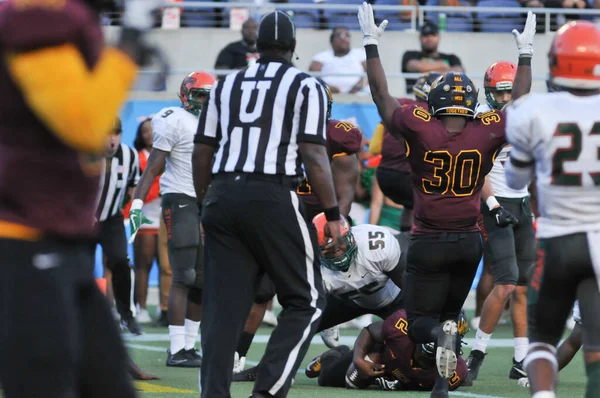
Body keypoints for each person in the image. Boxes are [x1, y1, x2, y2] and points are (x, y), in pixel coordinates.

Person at [357, 3, 535, 397]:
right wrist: (525, 54)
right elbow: (520, 104)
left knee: (422, 321)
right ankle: (440, 385)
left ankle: (439, 336)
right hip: (469, 240)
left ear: (433, 104)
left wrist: (371, 45)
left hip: (428, 239)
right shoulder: (484, 130)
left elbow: (381, 96)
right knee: (453, 316)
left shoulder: (421, 127)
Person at [0, 0, 161, 396]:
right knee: (47, 384)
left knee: (107, 382)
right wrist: (130, 44)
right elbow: (86, 124)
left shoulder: (62, 19)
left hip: (58, 236)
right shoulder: (39, 18)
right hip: (24, 237)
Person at [193, 10, 343, 398]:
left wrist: (203, 205)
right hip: (271, 192)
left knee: (222, 310)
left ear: (256, 46)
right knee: (307, 301)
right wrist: (334, 215)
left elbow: (202, 151)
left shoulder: (226, 85)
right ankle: (267, 392)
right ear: (293, 48)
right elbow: (313, 152)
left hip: (222, 195)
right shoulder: (304, 85)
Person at [232, 79, 362, 375]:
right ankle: (238, 354)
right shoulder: (271, 133)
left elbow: (345, 196)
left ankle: (329, 319)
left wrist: (333, 225)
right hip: (276, 217)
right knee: (261, 292)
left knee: (315, 291)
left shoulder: (338, 138)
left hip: (317, 221)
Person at [504, 20, 600, 398]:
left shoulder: (532, 110)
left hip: (558, 240)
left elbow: (514, 181)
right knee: (595, 343)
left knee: (542, 339)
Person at [233, 213, 407, 382]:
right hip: (349, 300)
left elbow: (409, 287)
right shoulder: (315, 266)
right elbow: (300, 310)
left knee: (406, 342)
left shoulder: (375, 244)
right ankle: (269, 369)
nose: (338, 253)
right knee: (298, 320)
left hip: (394, 298)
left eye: (340, 244)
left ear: (350, 234)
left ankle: (343, 356)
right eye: (329, 250)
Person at [130, 71, 216, 368]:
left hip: (209, 202)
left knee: (204, 279)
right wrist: (138, 203)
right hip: (180, 197)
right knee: (184, 275)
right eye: (200, 94)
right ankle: (176, 348)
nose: (204, 101)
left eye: (208, 95)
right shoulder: (173, 118)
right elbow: (155, 165)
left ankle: (190, 347)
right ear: (186, 94)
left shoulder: (218, 122)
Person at [465, 61, 536, 384]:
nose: (506, 97)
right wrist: (492, 205)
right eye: (500, 91)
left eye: (510, 90)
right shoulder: (479, 120)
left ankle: (521, 359)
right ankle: (477, 352)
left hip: (521, 204)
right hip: (495, 203)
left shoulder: (522, 114)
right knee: (505, 282)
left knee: (521, 288)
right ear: (489, 90)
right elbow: (476, 169)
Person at [306, 309, 469, 392]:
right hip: (383, 355)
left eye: (453, 336)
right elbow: (370, 331)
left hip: (393, 373)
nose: (445, 340)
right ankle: (334, 356)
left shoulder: (456, 372)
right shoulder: (402, 325)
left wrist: (399, 385)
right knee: (347, 380)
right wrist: (358, 360)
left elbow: (425, 384)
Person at [93, 117, 142, 335]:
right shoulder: (85, 152)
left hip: (111, 219)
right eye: (106, 133)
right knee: (79, 266)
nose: (112, 139)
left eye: (116, 133)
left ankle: (126, 316)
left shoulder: (130, 155)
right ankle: (79, 315)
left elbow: (133, 185)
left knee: (120, 261)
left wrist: (127, 207)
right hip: (84, 219)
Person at [375, 72, 441, 233]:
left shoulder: (401, 104)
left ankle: (405, 238)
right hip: (408, 177)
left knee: (409, 205)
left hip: (384, 175)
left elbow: (376, 144)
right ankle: (416, 242)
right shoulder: (437, 114)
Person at [128, 118, 172, 324]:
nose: (149, 134)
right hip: (145, 217)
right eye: (145, 131)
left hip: (166, 217)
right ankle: (141, 307)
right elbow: (135, 191)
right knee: (143, 265)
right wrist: (157, 190)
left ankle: (165, 308)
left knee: (167, 267)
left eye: (152, 130)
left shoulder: (170, 154)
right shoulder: (138, 158)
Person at [400, 20, 463, 94]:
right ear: (420, 38)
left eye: (433, 35)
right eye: (425, 35)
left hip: (444, 100)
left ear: (439, 37)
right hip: (415, 99)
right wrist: (443, 66)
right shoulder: (409, 54)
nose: (429, 38)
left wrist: (426, 69)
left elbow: (459, 73)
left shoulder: (452, 57)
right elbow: (415, 66)